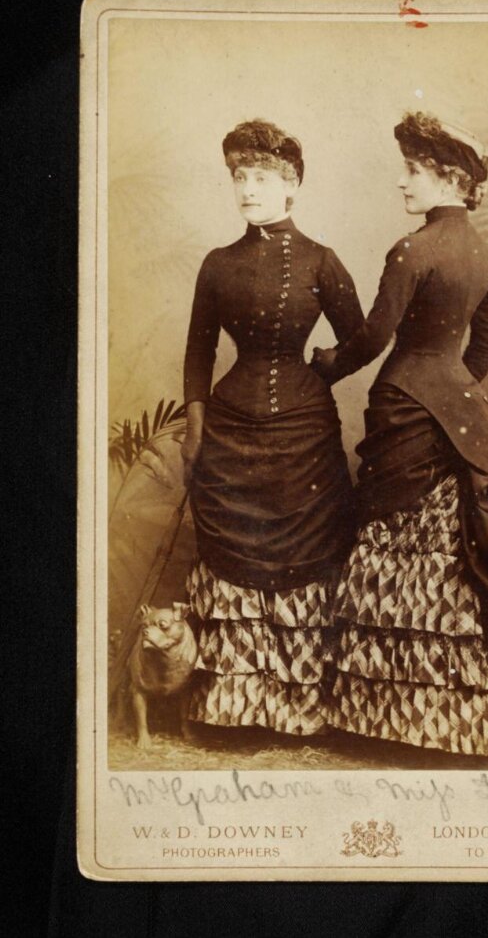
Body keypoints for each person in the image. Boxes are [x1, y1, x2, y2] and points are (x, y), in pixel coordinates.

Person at [312, 111, 488, 759]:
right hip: (460, 410)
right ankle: (485, 722)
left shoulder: (412, 249)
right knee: (477, 549)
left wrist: (327, 365)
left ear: (449, 178)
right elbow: (483, 344)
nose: (401, 184)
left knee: (394, 542)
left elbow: (376, 337)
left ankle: (396, 717)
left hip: (404, 401)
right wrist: (454, 391)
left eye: (412, 171)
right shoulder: (483, 254)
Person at [182, 119, 364, 737]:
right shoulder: (217, 264)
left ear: (292, 189)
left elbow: (362, 338)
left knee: (308, 555)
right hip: (230, 426)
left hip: (304, 433)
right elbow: (199, 354)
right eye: (240, 177)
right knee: (235, 556)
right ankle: (237, 708)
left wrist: (323, 375)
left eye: (261, 178)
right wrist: (195, 424)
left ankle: (302, 707)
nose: (248, 189)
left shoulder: (320, 260)